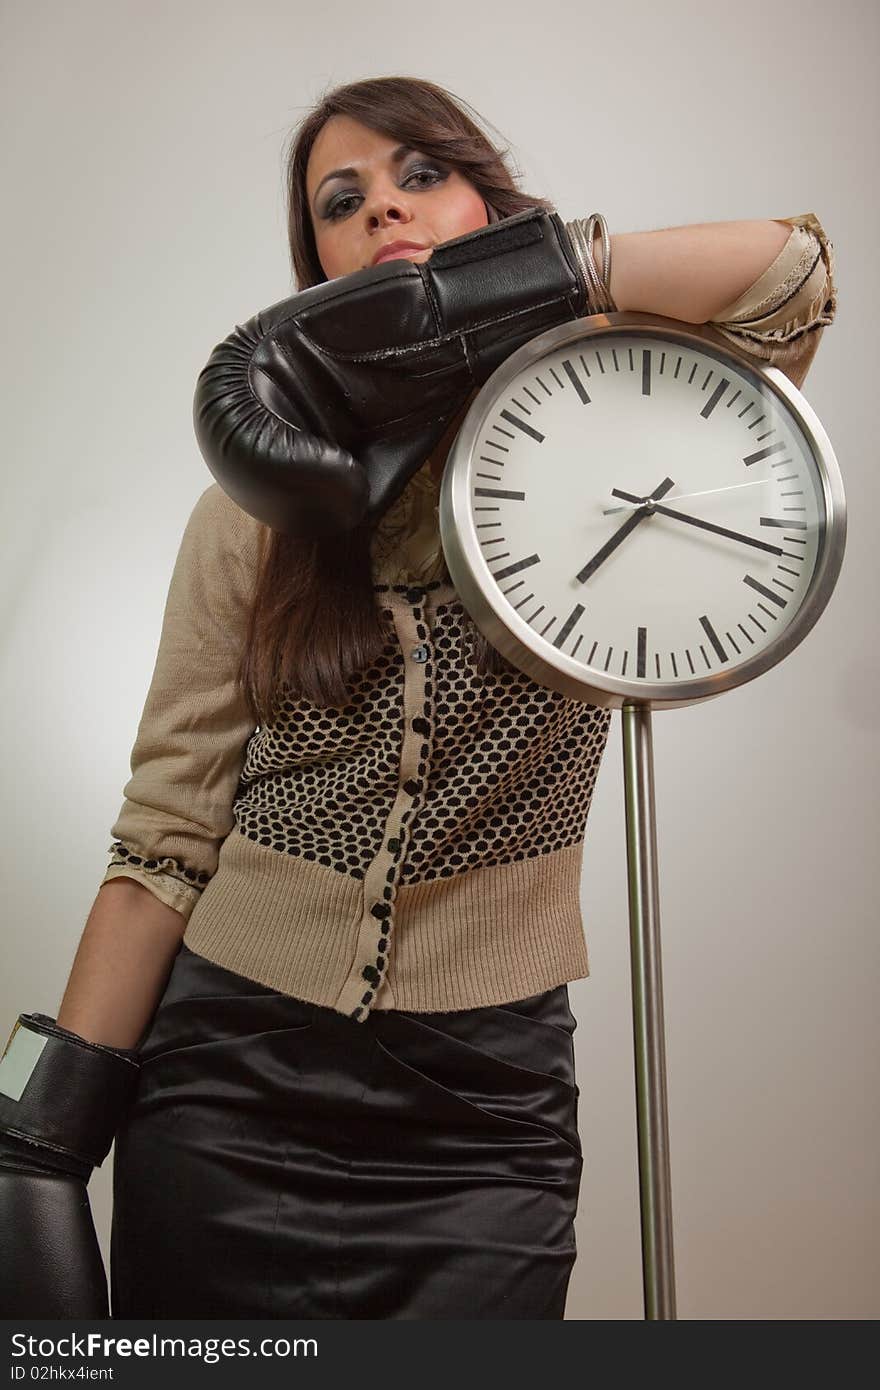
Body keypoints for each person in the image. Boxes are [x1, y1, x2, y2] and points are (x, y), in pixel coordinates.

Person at [0, 75, 837, 1321]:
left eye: (422, 175)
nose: (385, 209)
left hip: (481, 1103)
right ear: (317, 264)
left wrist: (519, 279)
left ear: (487, 201)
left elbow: (788, 274)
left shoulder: (614, 421)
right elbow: (164, 838)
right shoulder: (249, 518)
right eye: (345, 203)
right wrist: (40, 1131)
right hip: (229, 1076)